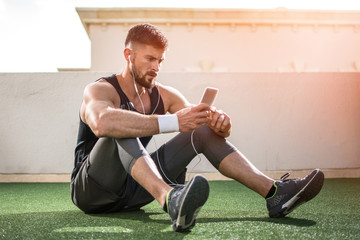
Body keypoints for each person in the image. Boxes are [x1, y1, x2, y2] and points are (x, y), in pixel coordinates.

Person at [71, 23, 324, 232]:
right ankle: (171, 200)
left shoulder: (164, 94)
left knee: (200, 131)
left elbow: (196, 121)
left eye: (160, 60)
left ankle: (274, 193)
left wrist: (219, 124)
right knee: (120, 124)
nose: (156, 68)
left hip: (133, 193)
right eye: (149, 59)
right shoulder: (100, 89)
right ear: (129, 55)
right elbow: (102, 122)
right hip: (92, 192)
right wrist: (173, 121)